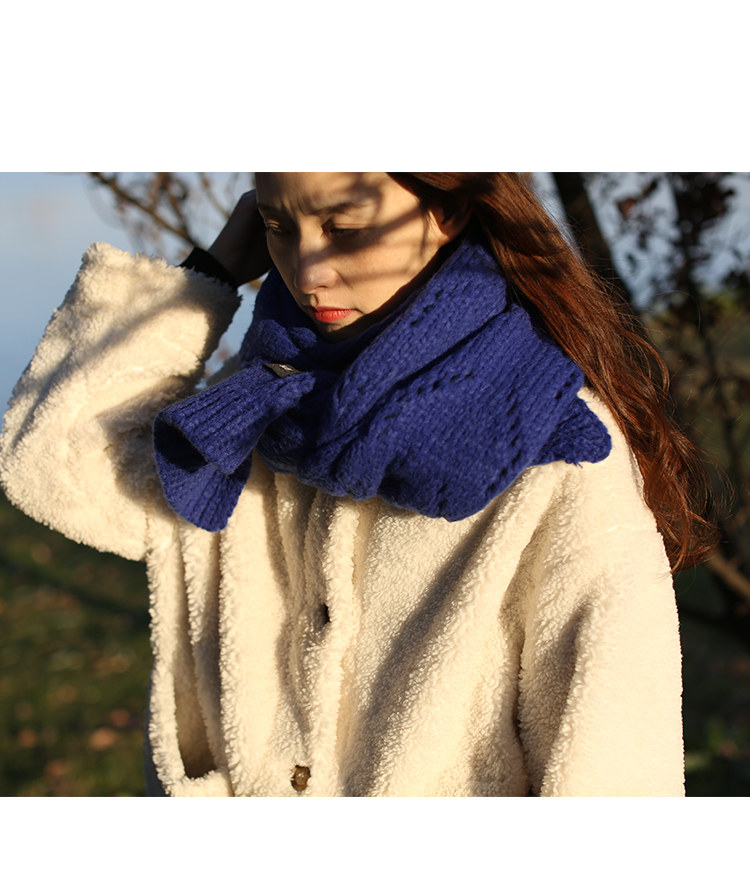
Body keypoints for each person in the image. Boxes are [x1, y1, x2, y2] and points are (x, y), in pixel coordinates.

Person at [0, 173, 715, 796]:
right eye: (278, 228)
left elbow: (612, 760)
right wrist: (209, 274)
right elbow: (55, 467)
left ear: (447, 209)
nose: (306, 270)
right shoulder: (251, 404)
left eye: (343, 228)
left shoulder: (554, 442)